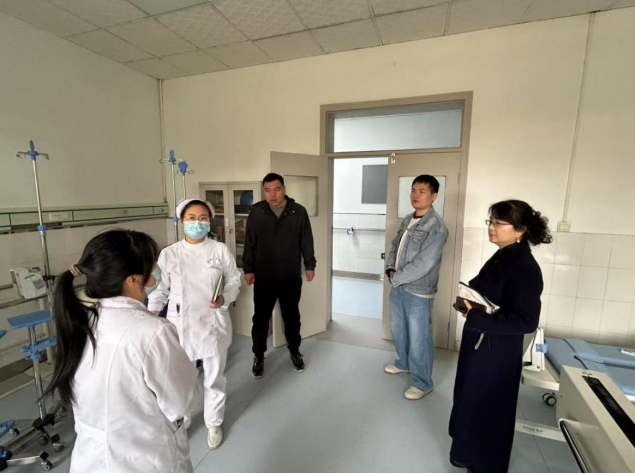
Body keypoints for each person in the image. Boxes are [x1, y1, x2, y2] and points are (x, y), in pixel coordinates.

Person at [45, 230, 203, 473]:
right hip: (145, 461)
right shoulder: (152, 332)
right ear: (132, 280)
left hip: (90, 461)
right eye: (151, 268)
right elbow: (183, 402)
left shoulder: (80, 322)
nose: (155, 273)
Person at [449, 200, 553, 473]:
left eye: (498, 223)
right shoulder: (503, 255)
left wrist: (477, 317)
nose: (491, 228)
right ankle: (469, 456)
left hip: (497, 353)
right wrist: (468, 301)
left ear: (520, 229)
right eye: (490, 222)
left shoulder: (525, 268)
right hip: (480, 343)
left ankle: (486, 465)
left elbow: (526, 321)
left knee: (489, 407)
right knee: (471, 401)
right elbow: (483, 288)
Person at [148, 199, 241, 451]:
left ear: (209, 221)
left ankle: (214, 422)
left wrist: (224, 298)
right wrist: (149, 316)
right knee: (182, 379)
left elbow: (234, 280)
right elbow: (159, 290)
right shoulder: (169, 254)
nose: (197, 223)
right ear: (181, 221)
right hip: (182, 325)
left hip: (214, 323)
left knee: (214, 378)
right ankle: (184, 421)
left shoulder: (219, 250)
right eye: (191, 218)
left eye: (202, 218)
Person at [243, 173, 316, 378]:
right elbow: (250, 242)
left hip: (290, 276)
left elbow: (306, 240)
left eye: (276, 189)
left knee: (291, 317)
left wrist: (309, 265)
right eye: (267, 190)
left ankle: (295, 351)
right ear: (263, 191)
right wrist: (248, 269)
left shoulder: (297, 211)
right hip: (264, 277)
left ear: (284, 189)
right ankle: (258, 355)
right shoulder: (257, 212)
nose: (272, 195)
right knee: (260, 319)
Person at [384, 175, 449, 400]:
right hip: (398, 284)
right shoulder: (407, 219)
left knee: (419, 336)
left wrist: (397, 277)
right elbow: (395, 246)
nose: (415, 195)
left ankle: (423, 383)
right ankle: (404, 363)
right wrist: (390, 268)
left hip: (418, 290)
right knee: (399, 330)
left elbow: (424, 263)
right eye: (413, 190)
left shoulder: (436, 226)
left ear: (434, 196)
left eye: (422, 191)